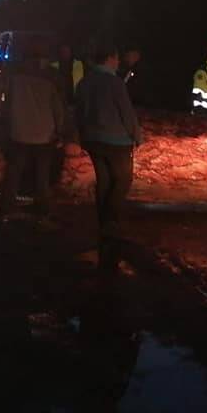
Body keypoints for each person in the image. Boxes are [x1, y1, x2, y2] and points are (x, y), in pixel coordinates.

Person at [76, 44, 144, 271]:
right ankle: (111, 223)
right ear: (110, 59)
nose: (118, 63)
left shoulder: (84, 83)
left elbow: (80, 112)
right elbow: (126, 112)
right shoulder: (115, 83)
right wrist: (138, 136)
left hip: (94, 140)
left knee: (104, 181)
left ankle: (103, 222)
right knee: (123, 180)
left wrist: (83, 135)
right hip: (117, 141)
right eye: (116, 59)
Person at [0, 43, 65, 221]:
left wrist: (2, 113)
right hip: (45, 135)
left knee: (13, 173)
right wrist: (59, 130)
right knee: (42, 175)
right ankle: (42, 212)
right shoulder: (51, 77)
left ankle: (6, 210)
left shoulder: (11, 74)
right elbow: (58, 108)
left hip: (17, 132)